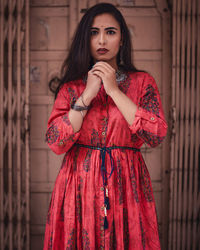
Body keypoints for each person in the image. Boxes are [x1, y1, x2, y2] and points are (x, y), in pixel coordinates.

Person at [43, 2, 167, 249]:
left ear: (122, 40)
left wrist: (113, 90)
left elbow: (156, 134)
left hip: (127, 187)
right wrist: (88, 94)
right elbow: (56, 141)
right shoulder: (72, 88)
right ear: (85, 40)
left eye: (110, 32)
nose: (102, 40)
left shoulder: (143, 82)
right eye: (93, 32)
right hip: (77, 188)